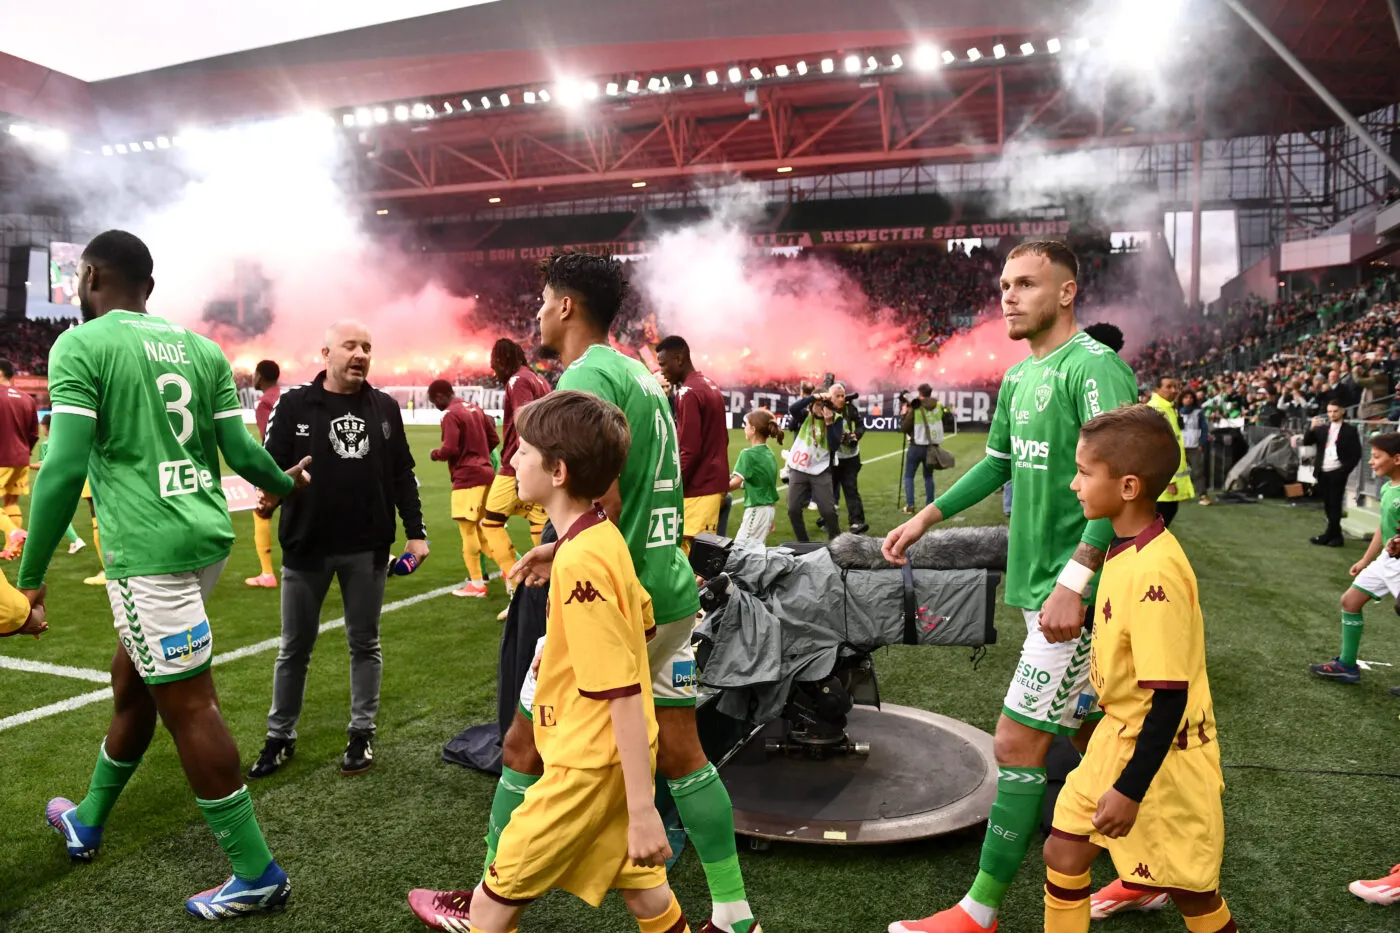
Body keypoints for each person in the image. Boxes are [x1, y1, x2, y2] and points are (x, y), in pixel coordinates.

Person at [409, 254, 758, 933]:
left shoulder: (589, 374)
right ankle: (735, 915)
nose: (537, 313)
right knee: (683, 750)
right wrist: (557, 543)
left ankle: (489, 893)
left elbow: (604, 495)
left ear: (566, 306)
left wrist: (569, 548)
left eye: (542, 300)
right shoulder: (637, 370)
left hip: (615, 597)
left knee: (526, 743)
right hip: (666, 581)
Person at [16, 229, 309, 918]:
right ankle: (87, 815)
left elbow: (61, 468)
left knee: (189, 703)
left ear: (89, 275)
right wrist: (283, 485)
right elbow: (242, 448)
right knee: (133, 680)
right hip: (207, 539)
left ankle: (256, 871)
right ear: (150, 285)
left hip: (149, 554)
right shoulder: (200, 349)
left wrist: (30, 577)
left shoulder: (81, 345)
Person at [882, 240, 1138, 933]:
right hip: (1037, 589)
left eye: (1026, 283)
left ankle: (980, 909)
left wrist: (1078, 579)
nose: (1008, 295)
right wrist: (926, 516)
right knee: (1102, 731)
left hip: (1080, 595)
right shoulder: (1022, 378)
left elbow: (1119, 485)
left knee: (1017, 741)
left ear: (1066, 292)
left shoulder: (1093, 368)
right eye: (1003, 284)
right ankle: (1152, 867)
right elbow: (997, 465)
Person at [410, 390, 695, 933]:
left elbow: (623, 692)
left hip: (584, 764)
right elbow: (644, 623)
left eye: (523, 450)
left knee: (492, 903)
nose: (511, 459)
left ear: (557, 470)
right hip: (603, 758)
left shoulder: (583, 561)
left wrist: (643, 808)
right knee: (647, 895)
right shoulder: (599, 536)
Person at [1044, 405, 1232, 933]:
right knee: (1064, 848)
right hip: (1116, 738)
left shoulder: (1157, 571)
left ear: (1128, 486)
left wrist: (1129, 790)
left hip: (1164, 758)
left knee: (1194, 897)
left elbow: (1169, 697)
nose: (1075, 483)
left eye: (1084, 472)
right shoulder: (1124, 548)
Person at [249, 319, 428, 779]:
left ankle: (361, 733)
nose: (361, 354)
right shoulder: (294, 405)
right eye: (350, 345)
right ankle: (279, 736)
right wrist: (276, 488)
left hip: (367, 549)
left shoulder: (385, 407)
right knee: (294, 648)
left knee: (365, 643)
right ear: (325, 353)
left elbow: (401, 474)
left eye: (367, 346)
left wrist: (416, 532)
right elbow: (269, 470)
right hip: (306, 547)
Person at [1306, 432, 1400, 685]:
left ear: (1397, 459)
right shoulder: (1387, 487)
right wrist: (1366, 560)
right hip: (1386, 561)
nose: (1371, 461)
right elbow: (1383, 527)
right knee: (1350, 600)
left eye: (1377, 457)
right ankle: (1347, 665)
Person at [480, 338, 551, 617]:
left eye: (494, 364)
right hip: (542, 466)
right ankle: (545, 595)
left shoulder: (517, 381)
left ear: (502, 360)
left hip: (516, 467)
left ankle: (516, 585)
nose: (492, 371)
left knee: (491, 523)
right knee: (540, 530)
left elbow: (524, 420)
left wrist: (522, 460)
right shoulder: (538, 379)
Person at [655, 335, 730, 552]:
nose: (662, 371)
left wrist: (673, 487)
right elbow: (723, 438)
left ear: (679, 359)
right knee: (705, 560)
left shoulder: (688, 392)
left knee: (691, 564)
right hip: (714, 485)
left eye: (663, 364)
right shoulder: (710, 385)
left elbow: (688, 451)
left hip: (698, 490)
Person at [428, 378, 499, 598]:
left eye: (434, 402)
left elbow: (450, 447)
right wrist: (479, 454)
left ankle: (477, 583)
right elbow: (494, 439)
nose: (436, 406)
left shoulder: (450, 414)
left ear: (440, 396)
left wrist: (436, 454)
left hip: (467, 479)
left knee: (468, 531)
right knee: (487, 529)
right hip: (487, 474)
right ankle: (511, 574)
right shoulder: (476, 409)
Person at [785, 388, 842, 541]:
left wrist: (829, 423)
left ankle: (837, 540)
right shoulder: (805, 416)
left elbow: (834, 445)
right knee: (793, 509)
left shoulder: (836, 419)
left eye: (822, 405)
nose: (819, 408)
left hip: (820, 470)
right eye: (816, 405)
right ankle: (803, 542)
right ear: (810, 405)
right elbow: (793, 408)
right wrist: (813, 397)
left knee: (828, 511)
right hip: (799, 468)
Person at [245, 359, 281, 588]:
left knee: (261, 512)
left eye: (254, 374)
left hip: (278, 469)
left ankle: (267, 574)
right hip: (301, 466)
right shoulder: (284, 396)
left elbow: (271, 441)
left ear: (260, 376)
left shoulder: (265, 403)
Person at [1305, 402, 1360, 547]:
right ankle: (1334, 535)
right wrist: (1311, 428)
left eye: (1335, 411)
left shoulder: (1350, 430)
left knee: (1335, 504)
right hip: (1323, 470)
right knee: (1328, 504)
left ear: (1342, 411)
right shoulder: (1323, 429)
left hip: (1338, 471)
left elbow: (1356, 453)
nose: (1332, 414)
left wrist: (1344, 470)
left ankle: (1331, 535)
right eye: (1329, 411)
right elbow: (1307, 441)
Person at [0, 358, 39, 558]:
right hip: (21, 458)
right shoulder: (27, 399)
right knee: (11, 500)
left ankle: (13, 533)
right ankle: (13, 549)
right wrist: (25, 452)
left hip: (2, 457)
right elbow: (34, 434)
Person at [31, 415, 86, 555]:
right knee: (53, 514)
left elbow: (43, 465)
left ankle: (75, 540)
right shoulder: (64, 441)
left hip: (49, 483)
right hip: (66, 480)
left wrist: (27, 465)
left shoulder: (46, 444)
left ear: (45, 427)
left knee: (52, 514)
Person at [1145, 377, 1194, 528]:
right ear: (1157, 389)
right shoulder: (1156, 410)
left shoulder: (1168, 408)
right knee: (1158, 522)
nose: (1174, 390)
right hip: (1163, 480)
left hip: (1167, 479)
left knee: (1164, 518)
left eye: (1176, 386)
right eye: (1169, 386)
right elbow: (1157, 449)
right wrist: (1168, 480)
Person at [730, 409, 783, 544]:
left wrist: (716, 488)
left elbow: (736, 482)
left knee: (740, 551)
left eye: (746, 425)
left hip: (757, 510)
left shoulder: (747, 454)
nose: (744, 428)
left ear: (753, 429)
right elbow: (764, 483)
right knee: (756, 551)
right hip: (768, 511)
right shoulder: (769, 453)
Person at [827, 383, 869, 535]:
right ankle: (827, 520)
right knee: (828, 490)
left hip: (851, 456)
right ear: (830, 397)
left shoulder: (850, 409)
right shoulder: (826, 411)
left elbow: (860, 425)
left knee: (851, 489)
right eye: (837, 396)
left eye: (842, 395)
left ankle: (857, 522)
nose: (840, 399)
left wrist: (855, 435)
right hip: (833, 457)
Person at [900, 385, 943, 515]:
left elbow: (904, 427)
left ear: (920, 394)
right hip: (932, 447)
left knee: (909, 476)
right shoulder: (938, 406)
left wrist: (904, 414)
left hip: (916, 446)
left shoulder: (916, 407)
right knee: (928, 476)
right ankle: (930, 505)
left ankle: (910, 505)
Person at [1177, 390, 1208, 503]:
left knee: (1198, 471)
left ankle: (1202, 495)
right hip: (1180, 446)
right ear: (1181, 399)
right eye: (1186, 397)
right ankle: (1182, 494)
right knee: (1180, 472)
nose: (1188, 399)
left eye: (1190, 397)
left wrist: (1201, 443)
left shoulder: (1198, 412)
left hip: (1194, 446)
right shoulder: (1176, 411)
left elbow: (1204, 429)